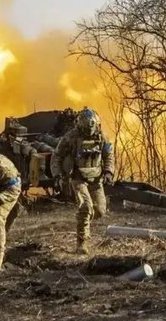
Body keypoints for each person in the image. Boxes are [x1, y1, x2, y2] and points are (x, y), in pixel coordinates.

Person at [54, 107, 114, 255]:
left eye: (92, 127)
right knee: (86, 207)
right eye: (87, 128)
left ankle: (82, 218)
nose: (90, 131)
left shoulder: (102, 137)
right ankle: (82, 242)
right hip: (78, 177)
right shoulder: (70, 137)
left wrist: (108, 172)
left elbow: (109, 156)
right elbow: (57, 156)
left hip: (96, 178)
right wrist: (58, 176)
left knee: (100, 210)